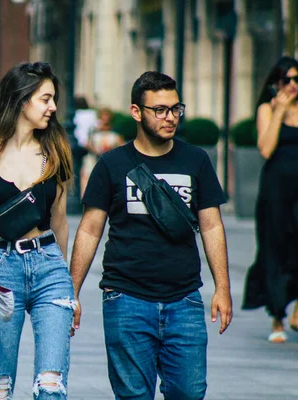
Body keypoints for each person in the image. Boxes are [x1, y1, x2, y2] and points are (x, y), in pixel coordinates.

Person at [70, 71, 232, 400]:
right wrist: (70, 292)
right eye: (159, 109)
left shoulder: (196, 160)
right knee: (133, 395)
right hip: (126, 298)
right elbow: (89, 229)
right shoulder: (112, 164)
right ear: (136, 112)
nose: (169, 117)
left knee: (189, 392)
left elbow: (212, 224)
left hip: (184, 298)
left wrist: (223, 288)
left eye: (175, 108)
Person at [0, 61, 74, 399]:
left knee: (51, 387)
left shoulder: (56, 152)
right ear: (22, 100)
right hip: (0, 270)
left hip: (49, 268)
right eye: (45, 99)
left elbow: (61, 220)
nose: (53, 107)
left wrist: (66, 279)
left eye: (53, 99)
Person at [243, 56, 298, 343]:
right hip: (276, 190)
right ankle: (277, 315)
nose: (292, 86)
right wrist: (280, 111)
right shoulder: (267, 108)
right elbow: (265, 148)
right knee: (275, 246)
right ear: (275, 83)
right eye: (286, 80)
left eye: (296, 80)